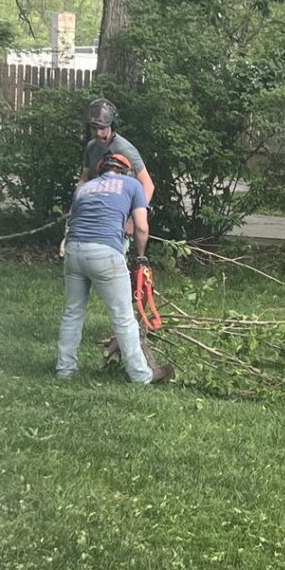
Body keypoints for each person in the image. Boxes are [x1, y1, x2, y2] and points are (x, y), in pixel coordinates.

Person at [57, 151, 173, 385]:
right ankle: (141, 376)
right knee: (123, 317)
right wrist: (140, 257)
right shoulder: (131, 184)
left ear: (102, 170)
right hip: (105, 253)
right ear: (126, 171)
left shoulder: (84, 188)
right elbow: (141, 227)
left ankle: (64, 370)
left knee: (73, 312)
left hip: (73, 251)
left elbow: (74, 218)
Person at [78, 99, 155, 233]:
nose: (98, 133)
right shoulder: (91, 147)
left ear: (112, 126)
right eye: (94, 128)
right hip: (99, 210)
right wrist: (77, 205)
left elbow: (148, 185)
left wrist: (133, 218)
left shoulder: (124, 149)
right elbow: (84, 179)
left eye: (102, 128)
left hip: (121, 211)